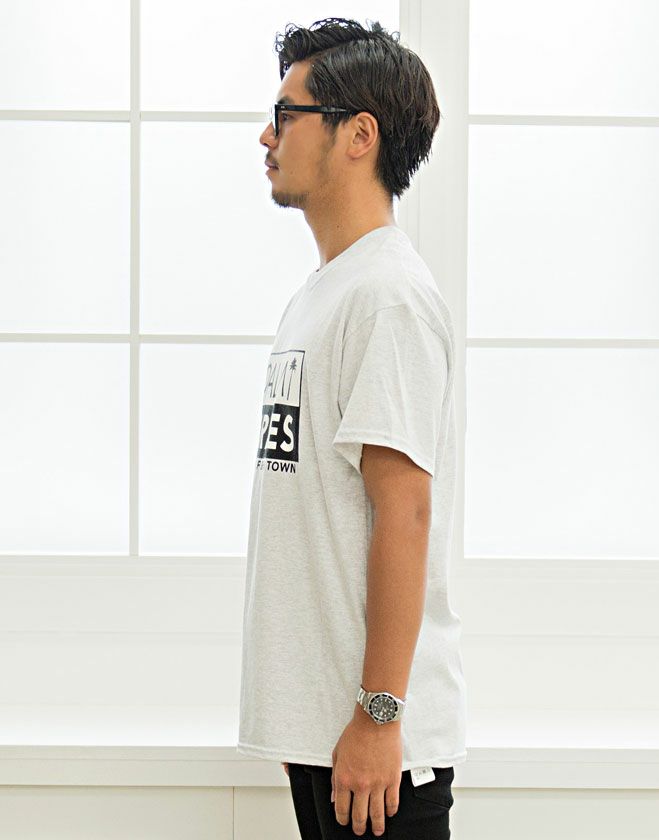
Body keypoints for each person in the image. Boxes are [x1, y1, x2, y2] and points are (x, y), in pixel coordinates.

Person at [236, 16, 467, 839]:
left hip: (377, 747)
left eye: (287, 114)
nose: (267, 135)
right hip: (329, 734)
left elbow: (405, 511)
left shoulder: (386, 298)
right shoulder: (325, 292)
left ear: (358, 135)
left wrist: (377, 716)